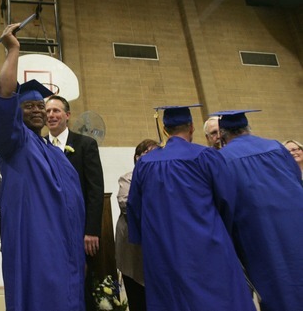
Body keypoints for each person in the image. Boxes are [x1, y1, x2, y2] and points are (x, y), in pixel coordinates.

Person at [0, 23, 85, 311]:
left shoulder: (54, 152)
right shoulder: (15, 143)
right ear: (16, 112)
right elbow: (2, 97)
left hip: (66, 249)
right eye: (29, 106)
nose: (38, 110)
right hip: (35, 244)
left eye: (41, 106)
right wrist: (13, 50)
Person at [126, 105, 256, 311]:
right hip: (206, 244)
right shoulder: (206, 156)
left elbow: (134, 206)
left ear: (165, 129)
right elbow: (226, 200)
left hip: (162, 250)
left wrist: (147, 241)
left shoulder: (145, 164)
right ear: (192, 127)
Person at [213, 110, 303, 311]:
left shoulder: (221, 158)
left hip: (258, 231)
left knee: (277, 286)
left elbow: (223, 201)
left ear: (223, 135)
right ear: (248, 128)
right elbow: (297, 179)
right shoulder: (276, 147)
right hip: (296, 222)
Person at [45, 95, 104, 310]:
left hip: (79, 231)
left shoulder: (85, 144)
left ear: (67, 116)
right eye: (48, 111)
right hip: (50, 231)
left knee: (80, 286)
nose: (51, 115)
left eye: (56, 111)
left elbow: (95, 191)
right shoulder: (39, 146)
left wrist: (91, 230)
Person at [115, 139, 159, 311]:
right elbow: (127, 205)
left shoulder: (163, 177)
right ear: (137, 158)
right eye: (148, 154)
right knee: (138, 301)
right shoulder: (128, 178)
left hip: (156, 252)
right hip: (133, 252)